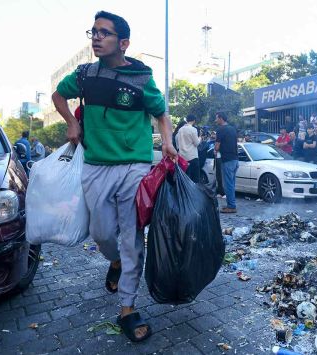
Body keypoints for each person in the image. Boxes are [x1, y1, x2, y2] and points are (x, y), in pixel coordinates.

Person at [51, 11, 176, 343]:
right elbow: (57, 96)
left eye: (103, 33)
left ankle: (127, 308)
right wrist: (71, 122)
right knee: (102, 232)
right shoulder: (84, 75)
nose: (95, 37)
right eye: (93, 32)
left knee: (131, 236)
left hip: (134, 166)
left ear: (123, 42)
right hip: (95, 165)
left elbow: (161, 113)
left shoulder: (140, 78)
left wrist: (167, 142)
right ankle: (116, 262)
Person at [214, 112, 238, 213]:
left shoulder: (220, 130)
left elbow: (217, 146)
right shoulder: (232, 129)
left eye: (216, 118)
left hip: (227, 160)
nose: (215, 120)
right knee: (231, 184)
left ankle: (231, 206)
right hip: (235, 159)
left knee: (228, 185)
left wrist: (215, 150)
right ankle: (231, 204)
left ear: (221, 118)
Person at [177, 114, 201, 182]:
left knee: (185, 179)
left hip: (182, 158)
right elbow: (196, 143)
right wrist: (200, 138)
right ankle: (193, 192)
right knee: (195, 179)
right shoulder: (193, 129)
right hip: (192, 157)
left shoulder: (180, 130)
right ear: (194, 120)